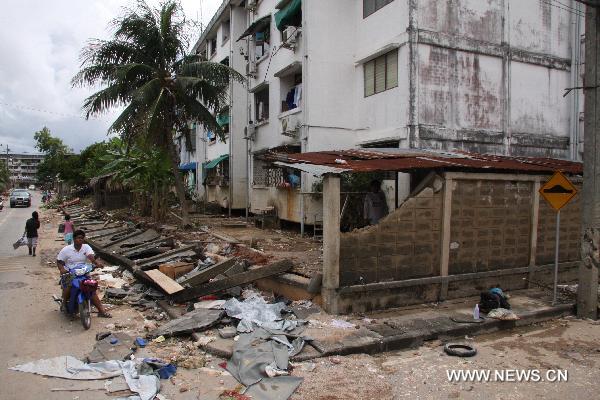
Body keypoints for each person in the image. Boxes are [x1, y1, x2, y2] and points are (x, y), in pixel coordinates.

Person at [57, 229, 112, 318]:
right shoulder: (66, 250)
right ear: (74, 239)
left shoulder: (86, 247)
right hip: (70, 273)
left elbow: (90, 256)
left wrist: (96, 263)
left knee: (91, 289)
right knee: (68, 286)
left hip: (82, 272)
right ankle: (64, 303)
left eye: (82, 238)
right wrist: (62, 269)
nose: (80, 240)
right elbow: (59, 261)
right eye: (78, 238)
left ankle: (101, 311)